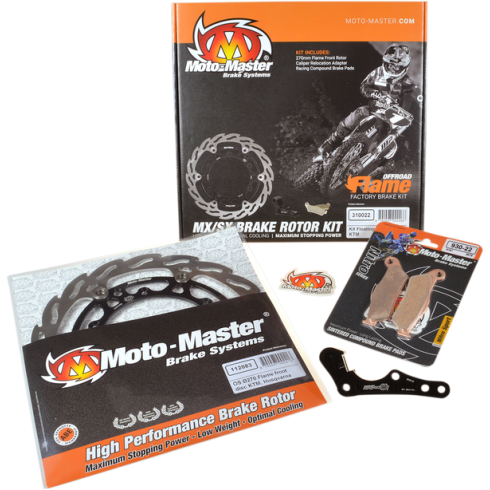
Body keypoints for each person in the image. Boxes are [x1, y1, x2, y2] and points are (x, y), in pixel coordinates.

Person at [320, 44, 417, 157]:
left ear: (404, 68)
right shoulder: (378, 72)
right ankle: (333, 141)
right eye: (391, 65)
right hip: (372, 110)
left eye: (397, 67)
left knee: (398, 146)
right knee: (359, 112)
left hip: (391, 121)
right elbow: (363, 86)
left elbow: (416, 102)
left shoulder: (408, 84)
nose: (393, 69)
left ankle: (378, 163)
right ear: (385, 62)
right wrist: (374, 93)